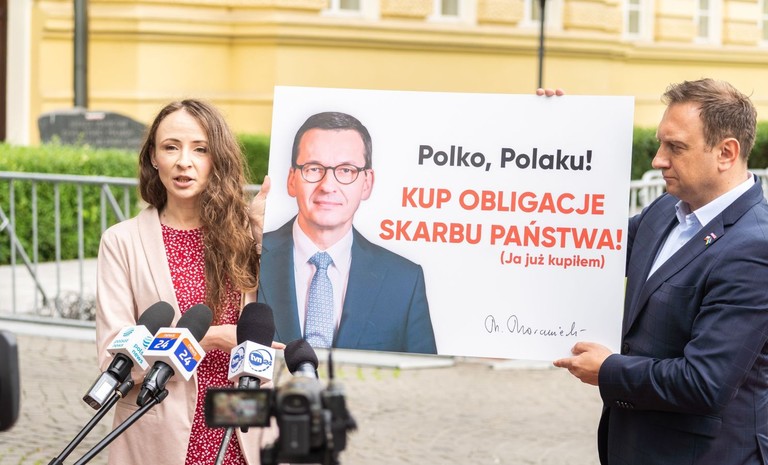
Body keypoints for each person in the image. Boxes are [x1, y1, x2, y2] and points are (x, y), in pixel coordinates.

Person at [553, 79, 768, 464]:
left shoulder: (754, 247)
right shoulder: (665, 210)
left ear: (726, 153)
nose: (658, 160)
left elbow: (705, 383)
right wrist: (554, 131)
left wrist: (609, 370)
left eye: (675, 147)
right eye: (660, 144)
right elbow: (581, 248)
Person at [96, 99, 275, 464]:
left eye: (200, 149)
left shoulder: (246, 235)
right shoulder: (122, 241)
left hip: (238, 426)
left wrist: (262, 237)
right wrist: (209, 338)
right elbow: (112, 358)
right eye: (170, 147)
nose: (184, 161)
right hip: (158, 428)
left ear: (217, 158)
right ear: (153, 157)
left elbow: (284, 325)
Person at [257, 111, 437, 354]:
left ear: (367, 183)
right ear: (291, 180)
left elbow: (423, 374)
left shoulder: (404, 280)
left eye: (346, 170)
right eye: (313, 168)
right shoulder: (248, 258)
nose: (328, 186)